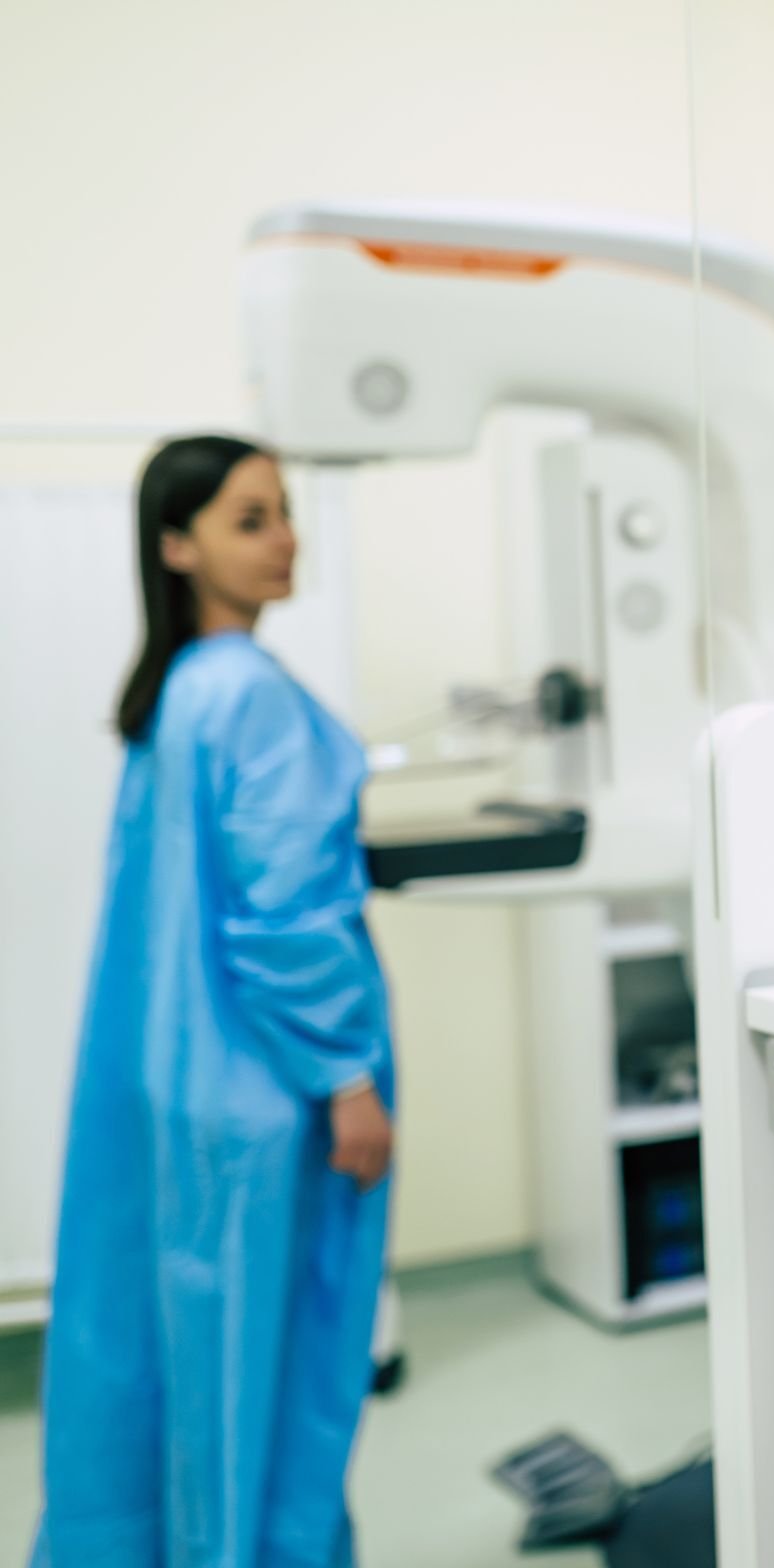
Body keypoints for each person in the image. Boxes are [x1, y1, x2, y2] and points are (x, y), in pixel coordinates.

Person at [31, 436, 395, 1568]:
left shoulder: (179, 693)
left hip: (172, 1090)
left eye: (284, 512)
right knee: (267, 1379)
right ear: (177, 545)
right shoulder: (247, 697)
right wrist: (347, 1079)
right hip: (265, 1103)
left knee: (155, 1363)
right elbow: (284, 920)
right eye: (251, 518)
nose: (283, 536)